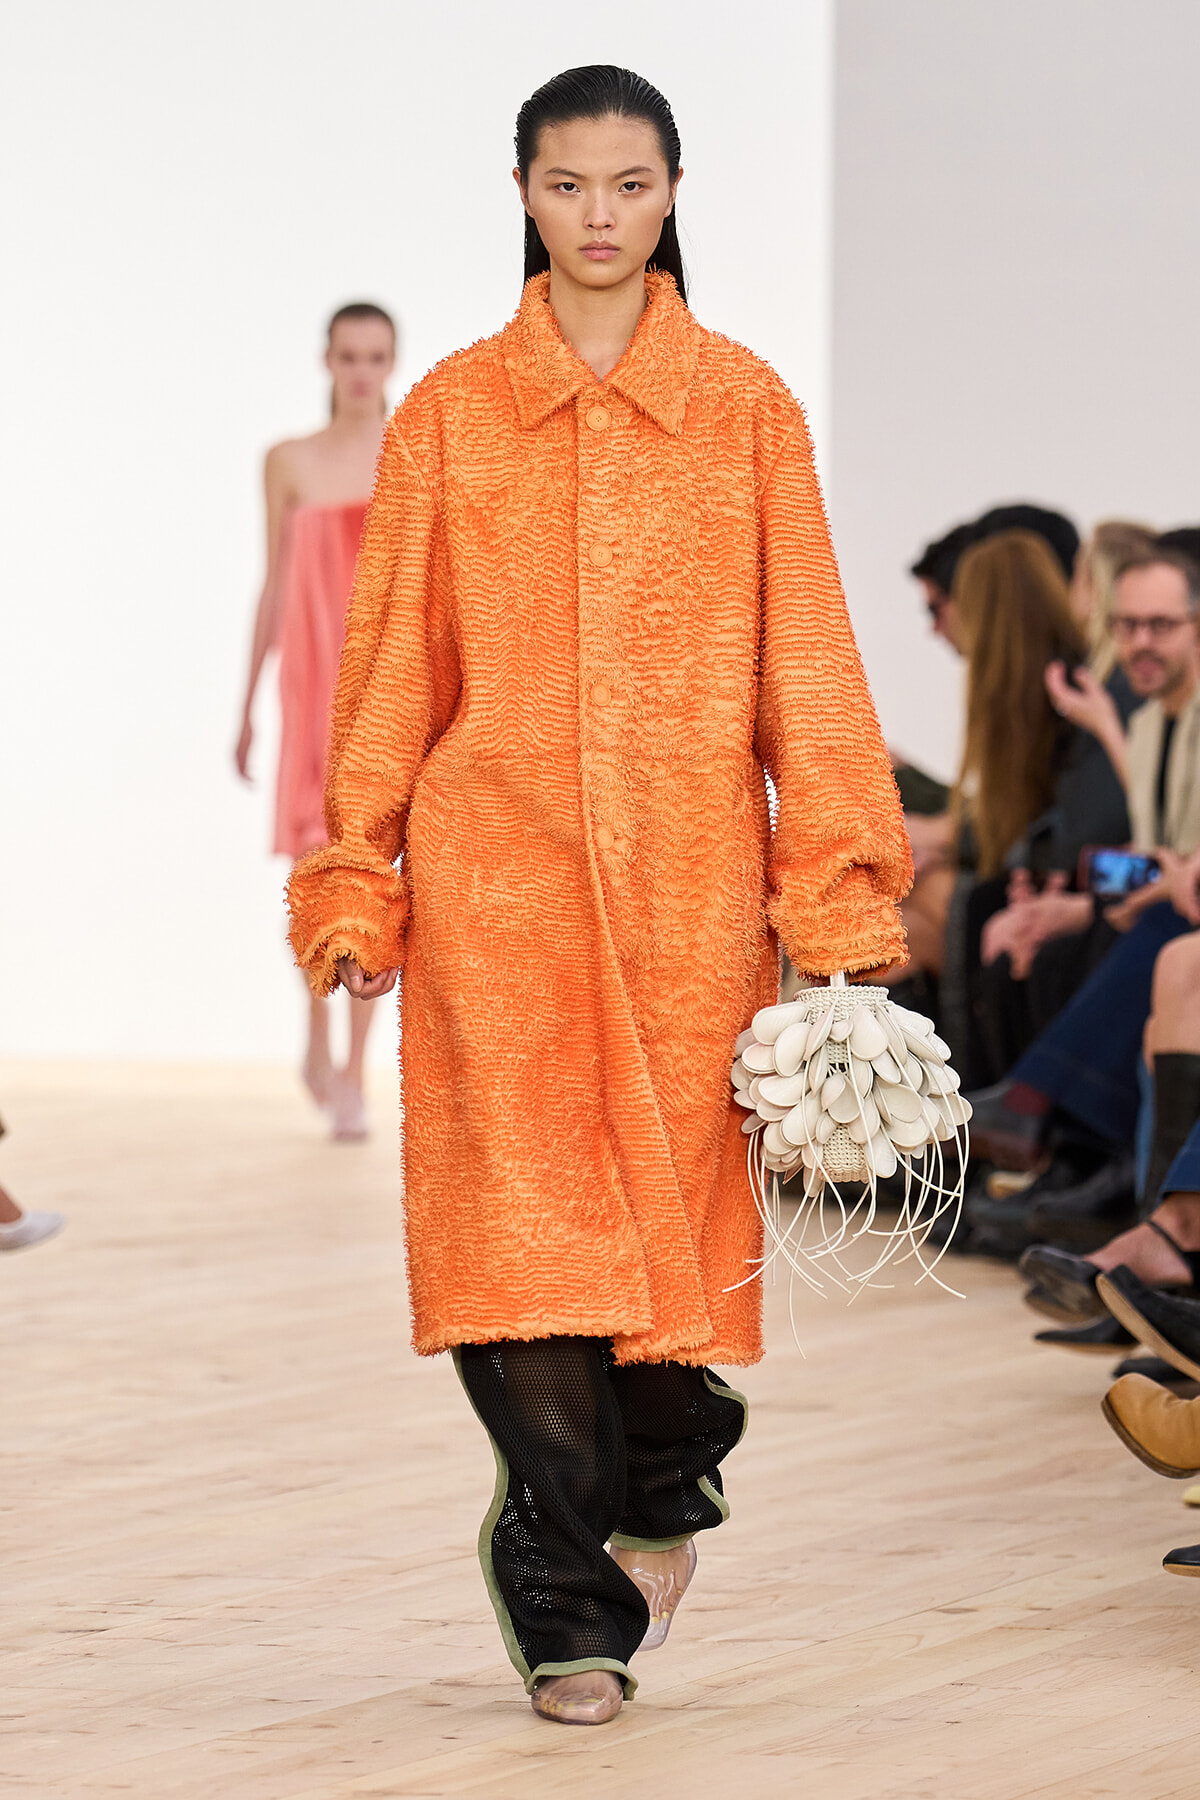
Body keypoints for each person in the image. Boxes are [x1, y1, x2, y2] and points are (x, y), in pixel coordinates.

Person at [285, 65, 910, 1726]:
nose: (602, 217)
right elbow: (389, 673)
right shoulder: (450, 415)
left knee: (667, 1284)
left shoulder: (749, 409)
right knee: (519, 1256)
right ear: (522, 193)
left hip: (690, 909)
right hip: (497, 905)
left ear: (676, 189)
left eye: (632, 185)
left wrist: (836, 900)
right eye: (570, 186)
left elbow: (816, 678)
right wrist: (359, 874)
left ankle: (663, 1498)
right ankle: (569, 1599)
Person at [236, 303, 397, 1140]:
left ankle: (352, 1071)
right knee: (311, 870)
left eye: (376, 356)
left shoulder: (410, 455)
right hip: (309, 688)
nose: (362, 372)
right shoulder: (289, 461)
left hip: (383, 688)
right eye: (349, 356)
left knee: (369, 870)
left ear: (392, 361)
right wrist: (246, 707)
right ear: (327, 361)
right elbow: (273, 582)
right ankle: (314, 1041)